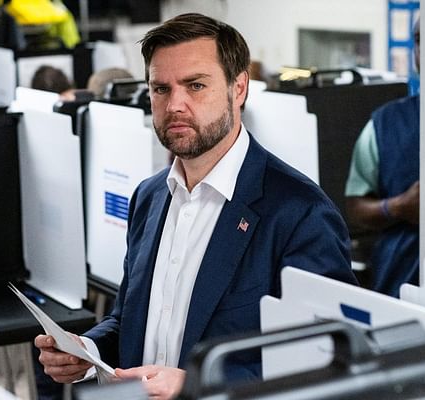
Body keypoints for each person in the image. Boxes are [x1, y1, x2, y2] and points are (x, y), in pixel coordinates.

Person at [35, 13, 357, 399]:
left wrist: (198, 387)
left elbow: (330, 364)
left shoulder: (300, 213)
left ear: (238, 89)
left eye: (196, 85)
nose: (175, 105)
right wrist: (88, 350)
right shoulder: (149, 197)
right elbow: (130, 319)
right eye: (161, 89)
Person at [344, 18, 421, 298]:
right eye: (419, 40)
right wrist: (400, 207)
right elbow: (356, 206)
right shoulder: (384, 124)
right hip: (400, 276)